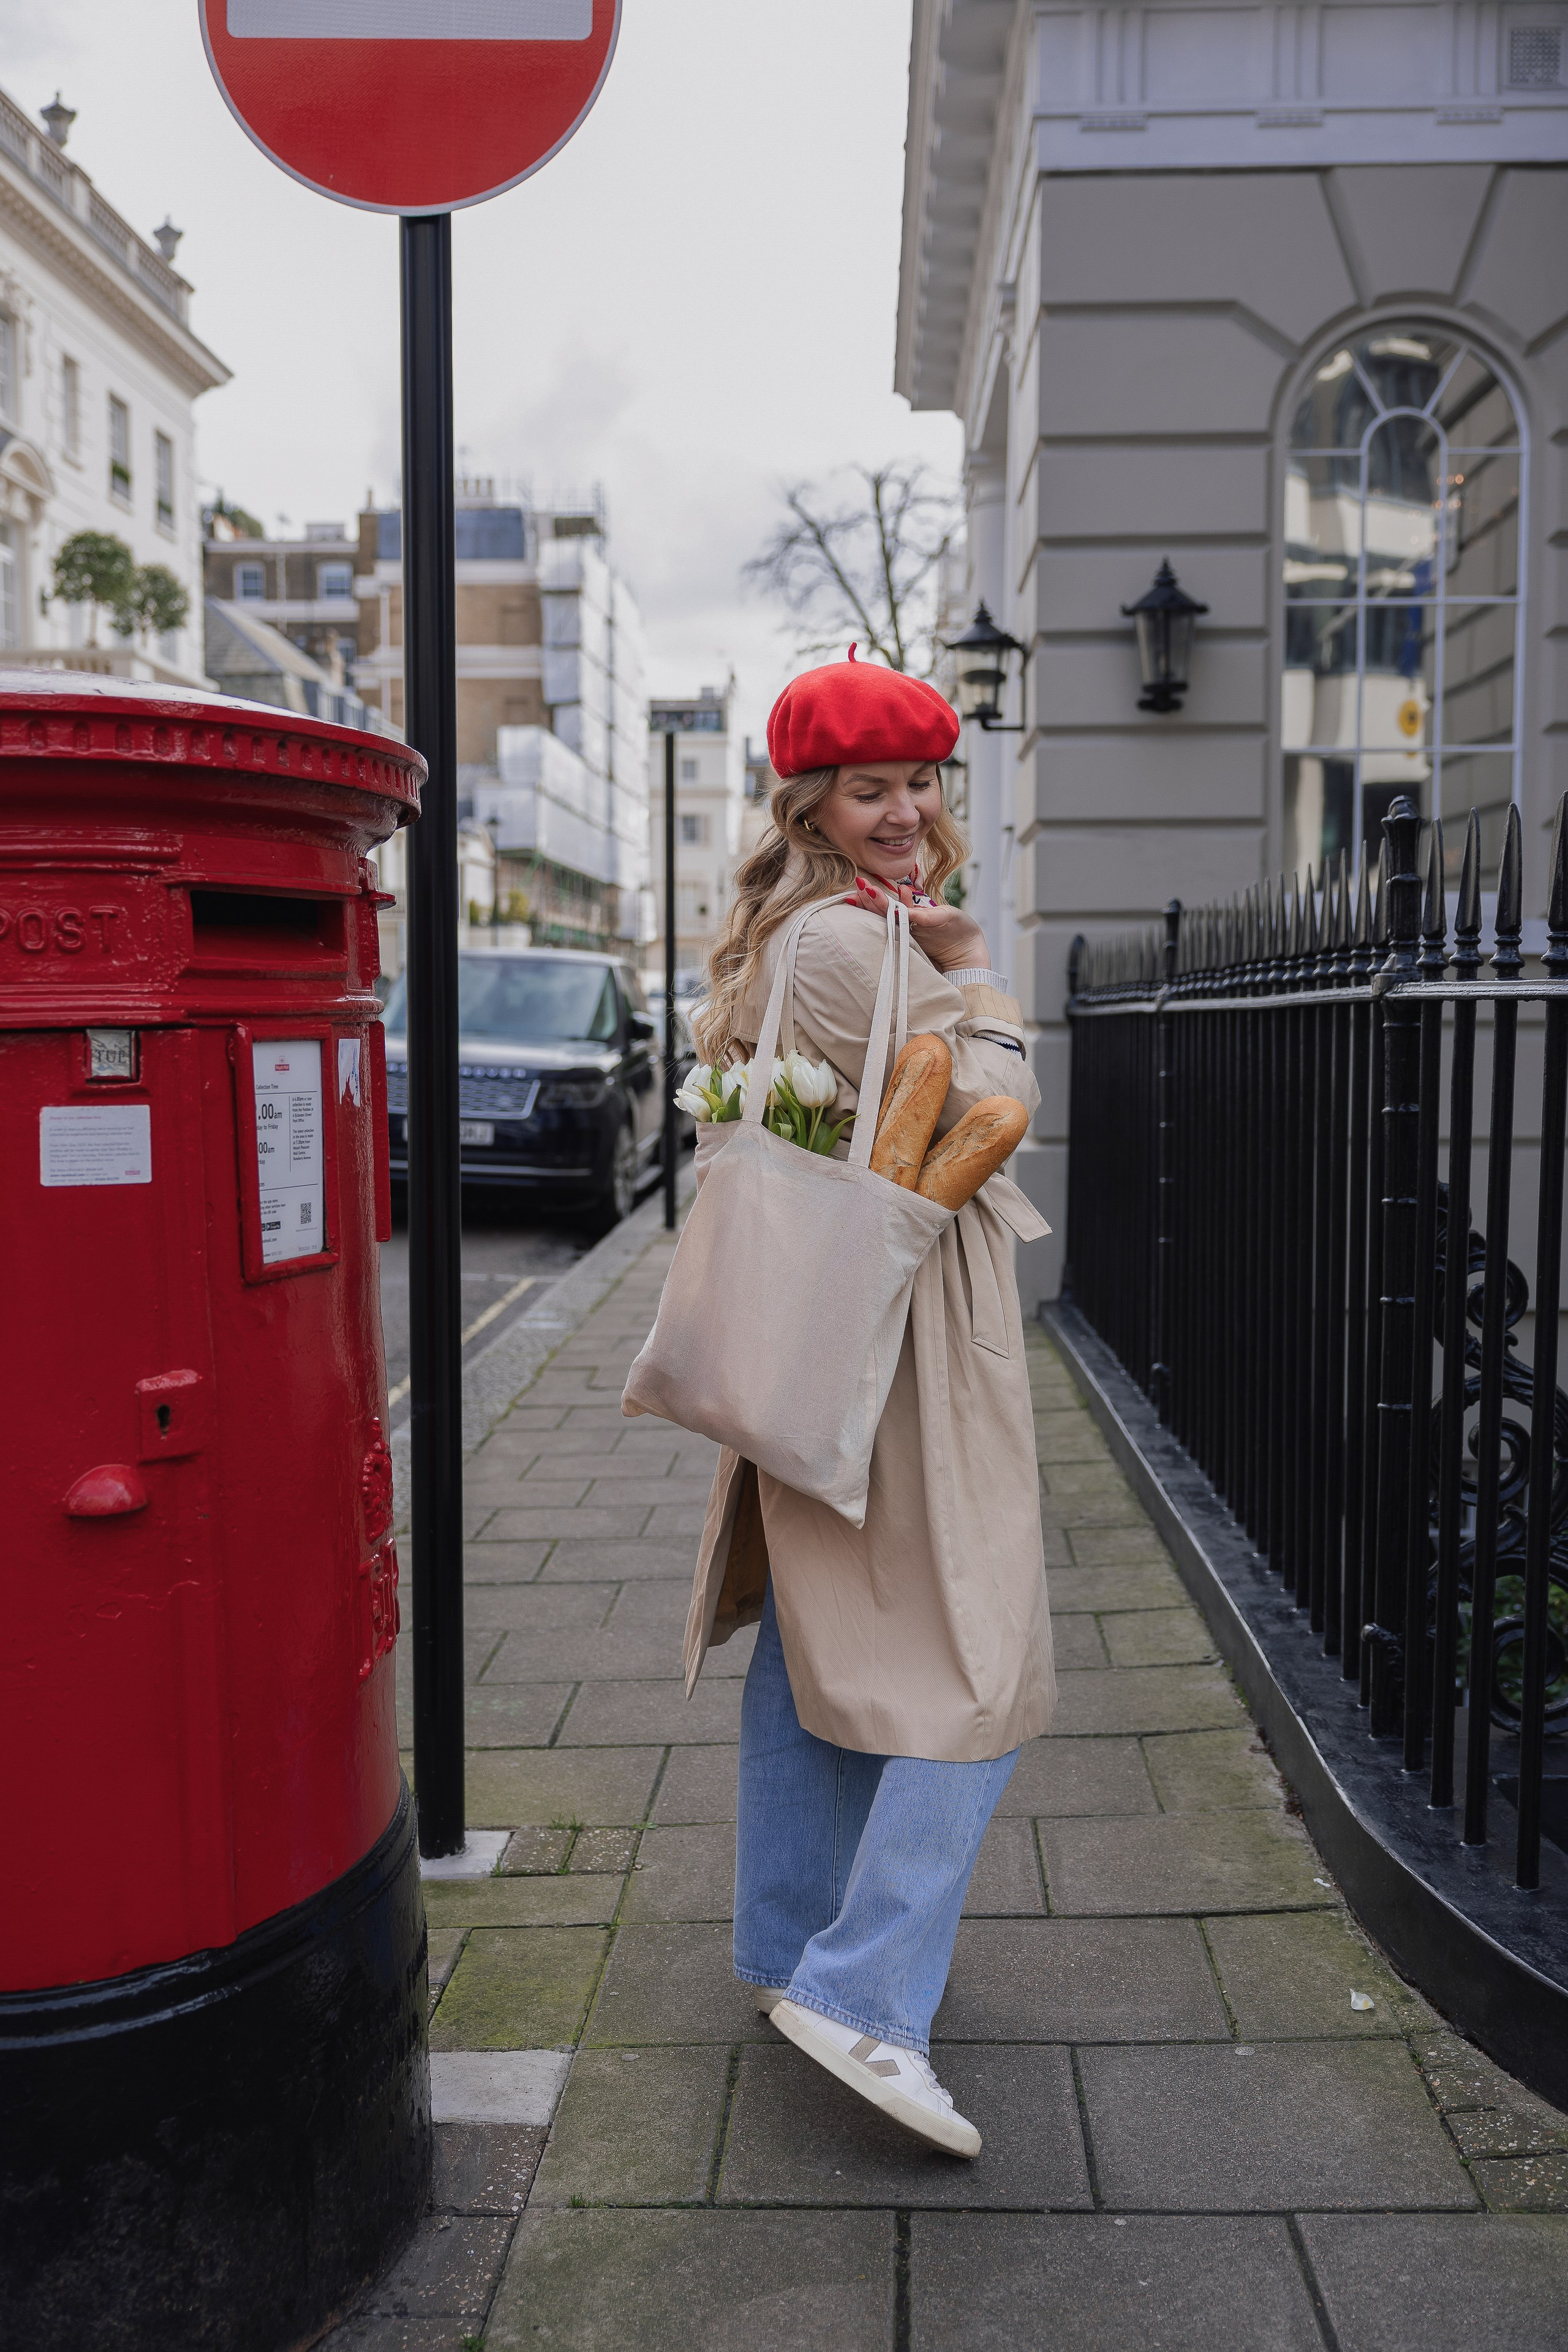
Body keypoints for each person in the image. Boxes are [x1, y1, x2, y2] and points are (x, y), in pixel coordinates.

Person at [684, 649, 1056, 2159]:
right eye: (869, 787)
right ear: (811, 803)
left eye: (918, 781)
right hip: (899, 1336)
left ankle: (784, 1947)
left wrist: (943, 956)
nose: (904, 811)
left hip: (852, 1316)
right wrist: (975, 974)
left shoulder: (840, 926)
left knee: (820, 1633)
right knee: (983, 1661)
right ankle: (863, 1992)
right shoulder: (853, 947)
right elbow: (989, 1106)